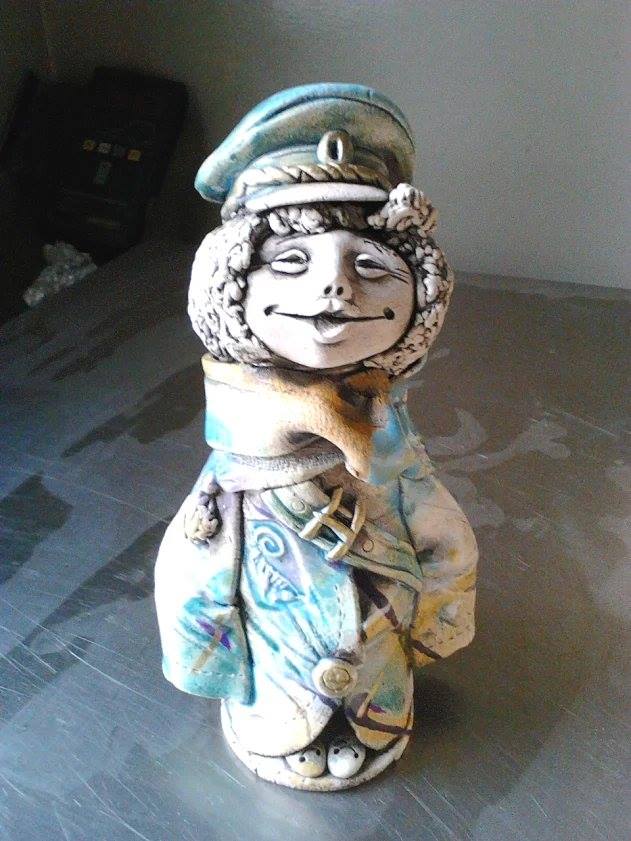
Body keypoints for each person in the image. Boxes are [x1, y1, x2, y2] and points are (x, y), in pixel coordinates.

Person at [155, 84, 478, 790]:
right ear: (230, 284)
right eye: (291, 261)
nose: (335, 288)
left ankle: (372, 721)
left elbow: (430, 517)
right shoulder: (240, 449)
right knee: (265, 631)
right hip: (277, 642)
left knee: (379, 644)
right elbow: (198, 564)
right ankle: (281, 725)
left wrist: (442, 596)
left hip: (379, 629)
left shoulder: (384, 422)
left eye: (371, 265)